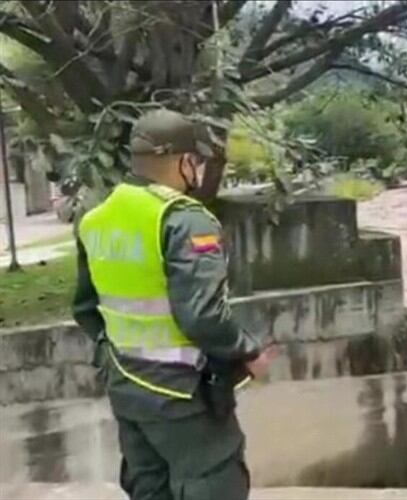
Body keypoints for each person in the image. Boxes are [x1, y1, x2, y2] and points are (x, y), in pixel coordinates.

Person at [72, 109, 275, 500]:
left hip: (126, 388)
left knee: (149, 488)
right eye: (196, 161)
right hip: (182, 395)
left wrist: (111, 360)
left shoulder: (95, 218)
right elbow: (201, 315)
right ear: (184, 162)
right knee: (214, 480)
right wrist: (247, 350)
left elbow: (85, 309)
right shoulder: (184, 219)